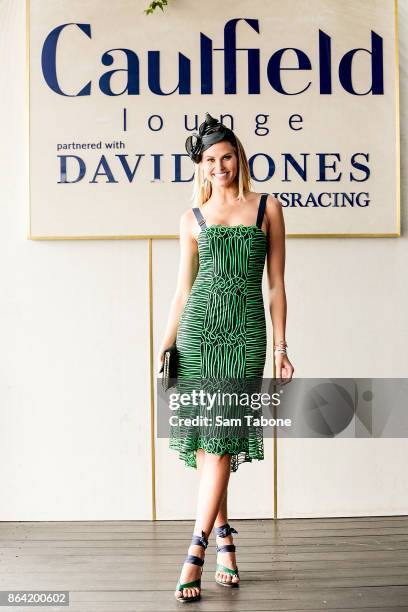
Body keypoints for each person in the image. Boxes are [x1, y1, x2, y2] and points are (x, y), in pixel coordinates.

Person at [158, 112, 294, 603]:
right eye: (211, 160)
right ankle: (224, 541)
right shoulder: (191, 218)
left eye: (227, 157)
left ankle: (194, 549)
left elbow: (276, 285)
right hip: (198, 333)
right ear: (202, 166)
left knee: (219, 440)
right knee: (207, 443)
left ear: (239, 157)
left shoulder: (267, 208)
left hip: (244, 334)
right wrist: (167, 343)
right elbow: (181, 290)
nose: (220, 166)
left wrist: (280, 347)